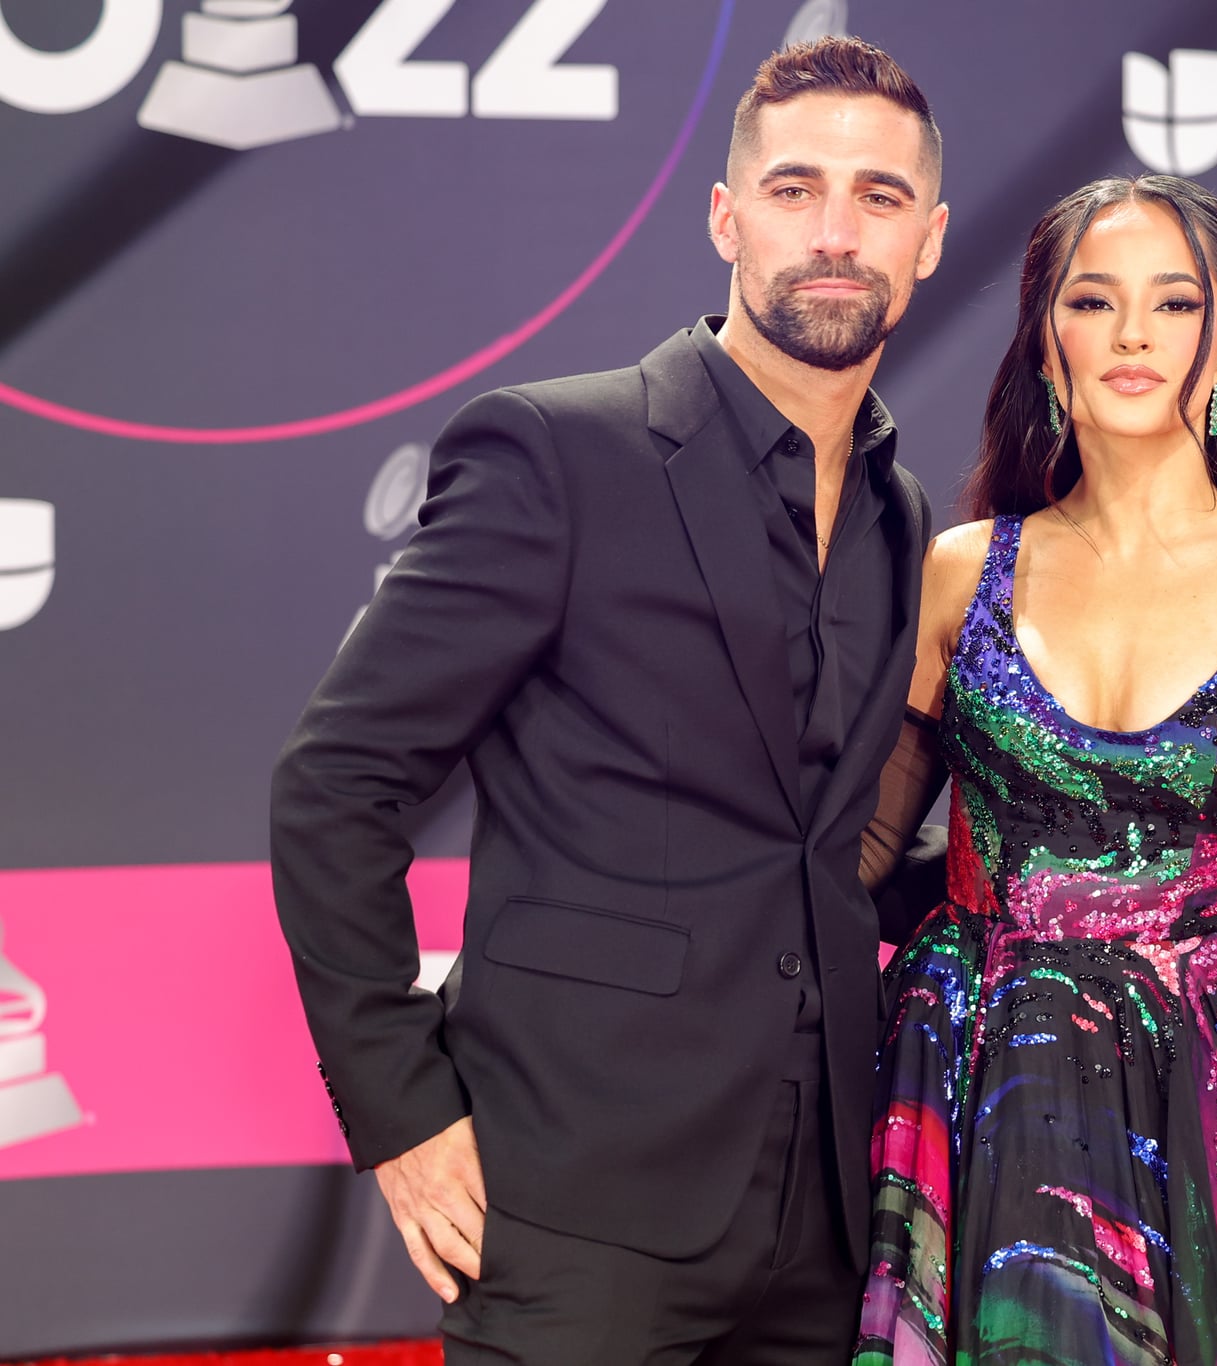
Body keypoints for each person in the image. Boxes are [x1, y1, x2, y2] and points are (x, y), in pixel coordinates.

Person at [270, 37, 948, 1364]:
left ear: (925, 239)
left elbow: (834, 852)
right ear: (726, 217)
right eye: (797, 187)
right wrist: (404, 1113)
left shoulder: (901, 512)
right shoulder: (557, 451)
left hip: (824, 1220)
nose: (833, 232)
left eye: (877, 199)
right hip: (575, 1207)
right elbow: (334, 788)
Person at [853, 175, 1217, 1363]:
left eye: (1171, 304)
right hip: (980, 1070)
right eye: (1093, 303)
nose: (1132, 336)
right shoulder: (957, 570)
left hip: (1215, 1077)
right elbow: (855, 851)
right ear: (1045, 348)